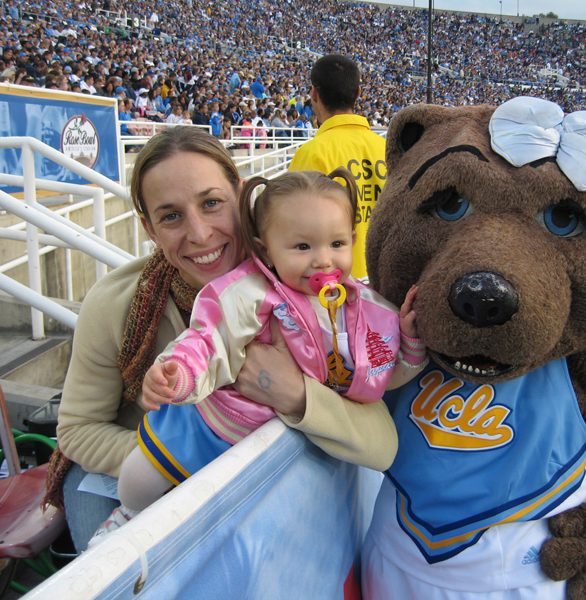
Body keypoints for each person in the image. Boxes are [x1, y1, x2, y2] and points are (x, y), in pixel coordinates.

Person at [46, 127, 398, 554]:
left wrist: (296, 395)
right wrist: (184, 463)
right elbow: (79, 431)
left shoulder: (309, 295)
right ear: (149, 228)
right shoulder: (112, 305)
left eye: (212, 203)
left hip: (266, 488)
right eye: (171, 216)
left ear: (243, 195)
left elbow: (380, 443)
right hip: (125, 479)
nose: (199, 233)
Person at [289, 54, 387, 282]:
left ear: (314, 93)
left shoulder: (311, 154)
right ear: (358, 94)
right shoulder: (386, 148)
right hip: (388, 285)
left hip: (337, 287)